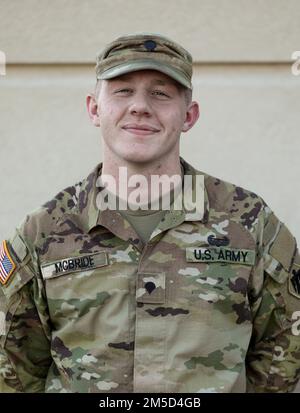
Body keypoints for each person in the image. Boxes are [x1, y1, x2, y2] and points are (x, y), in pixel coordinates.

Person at [0, 32, 299, 394]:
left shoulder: (249, 221)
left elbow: (286, 349)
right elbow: (13, 368)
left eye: (160, 93)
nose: (140, 106)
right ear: (94, 109)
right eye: (123, 90)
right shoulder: (43, 231)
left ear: (188, 116)